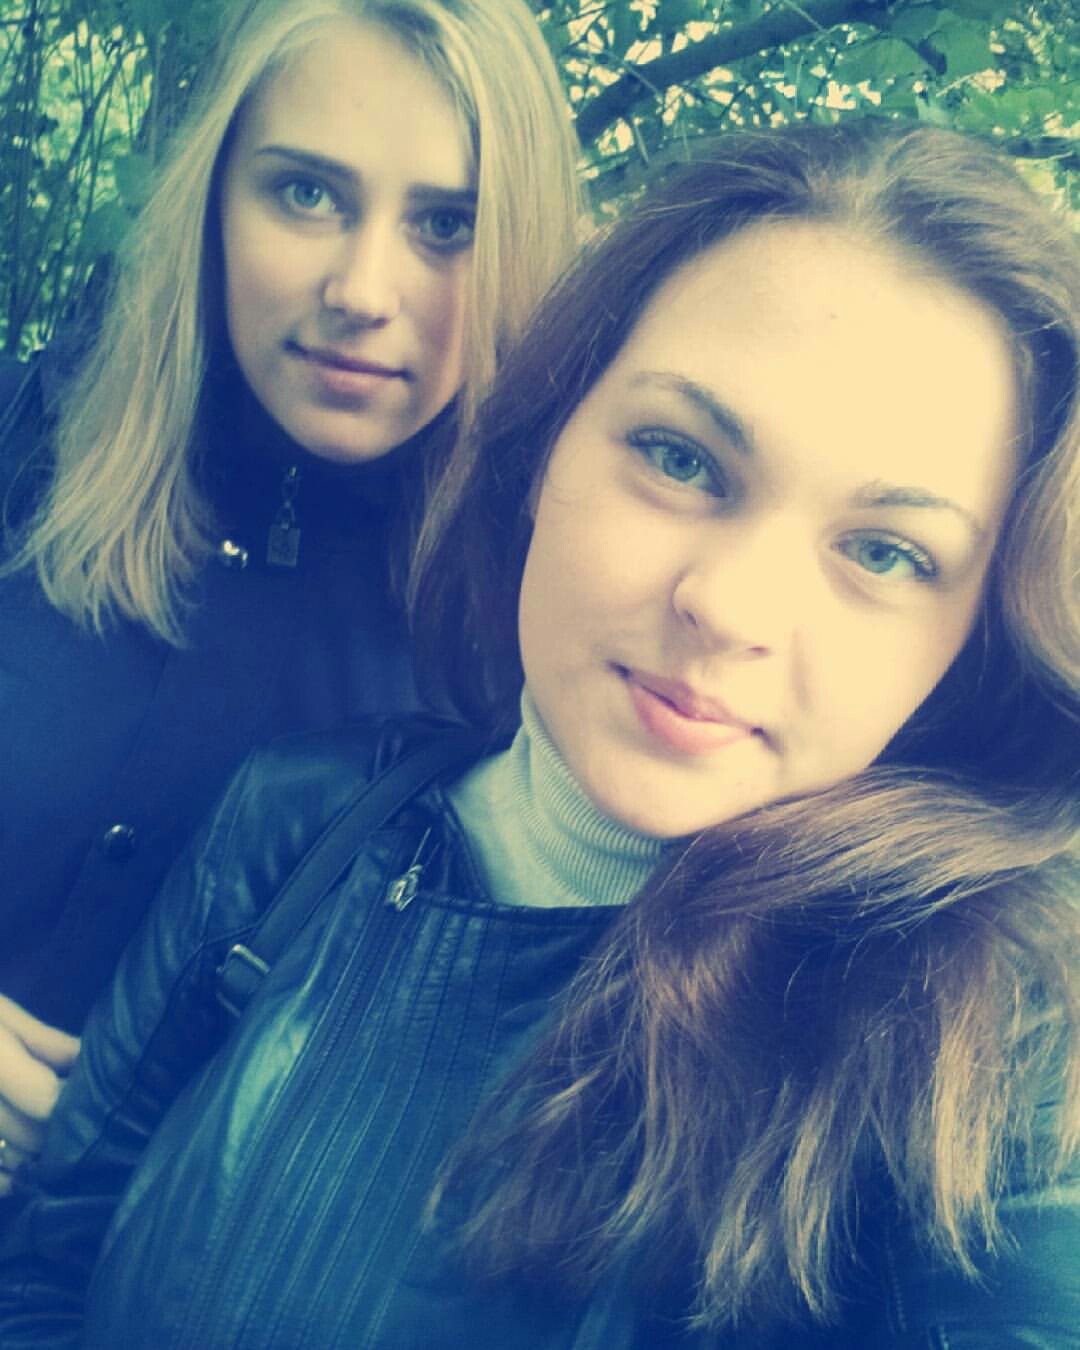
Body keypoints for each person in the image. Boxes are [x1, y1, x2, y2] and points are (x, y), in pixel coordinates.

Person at [1, 120, 1077, 1347]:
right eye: (679, 458)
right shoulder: (296, 819)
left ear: (974, 637)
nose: (729, 607)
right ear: (541, 446)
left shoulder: (994, 1044)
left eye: (885, 553)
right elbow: (43, 1273)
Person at [0, 0, 582, 1199]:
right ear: (216, 198)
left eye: (446, 225)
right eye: (306, 193)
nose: (363, 289)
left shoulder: (535, 642)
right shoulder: (23, 445)